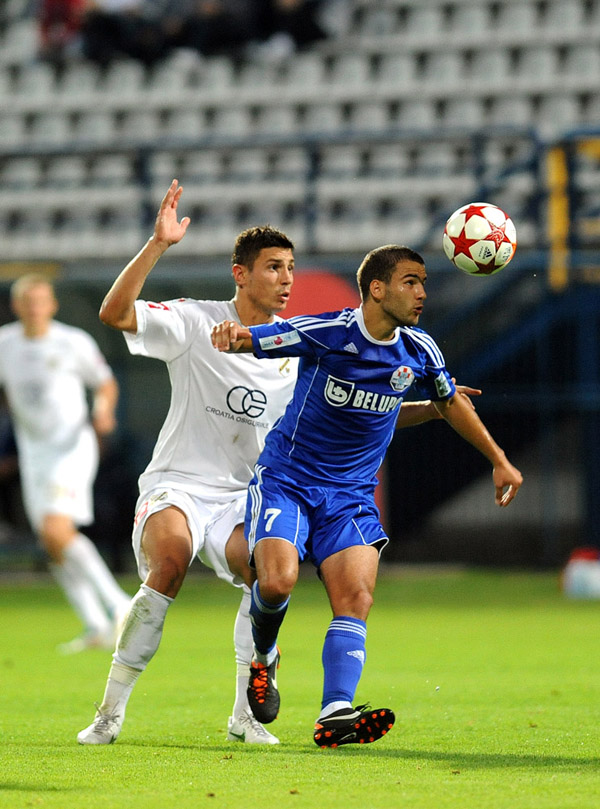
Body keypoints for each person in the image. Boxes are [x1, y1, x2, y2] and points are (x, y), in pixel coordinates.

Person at [211, 243, 524, 748]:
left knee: (356, 597)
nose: (422, 293)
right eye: (410, 282)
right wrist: (233, 335)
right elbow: (256, 337)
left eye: (423, 282)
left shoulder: (420, 350)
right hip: (287, 479)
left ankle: (334, 712)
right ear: (376, 289)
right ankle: (264, 657)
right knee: (277, 582)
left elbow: (449, 402)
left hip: (351, 495)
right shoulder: (329, 333)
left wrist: (499, 459)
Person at [77, 180, 298, 746]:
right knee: (169, 562)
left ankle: (244, 716)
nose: (286, 279)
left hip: (241, 496)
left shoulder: (295, 348)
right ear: (240, 273)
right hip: (177, 485)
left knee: (267, 580)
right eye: (273, 267)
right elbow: (114, 312)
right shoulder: (196, 320)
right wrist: (157, 245)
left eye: (290, 268)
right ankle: (109, 712)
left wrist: (433, 406)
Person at [0, 274, 129, 654]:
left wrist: (102, 411)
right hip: (34, 452)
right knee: (52, 540)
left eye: (41, 300)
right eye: (27, 301)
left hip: (72, 445)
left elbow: (105, 384)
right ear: (16, 305)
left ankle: (120, 604)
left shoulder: (72, 341)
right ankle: (97, 626)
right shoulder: (5, 343)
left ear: (52, 305)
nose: (34, 308)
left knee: (57, 530)